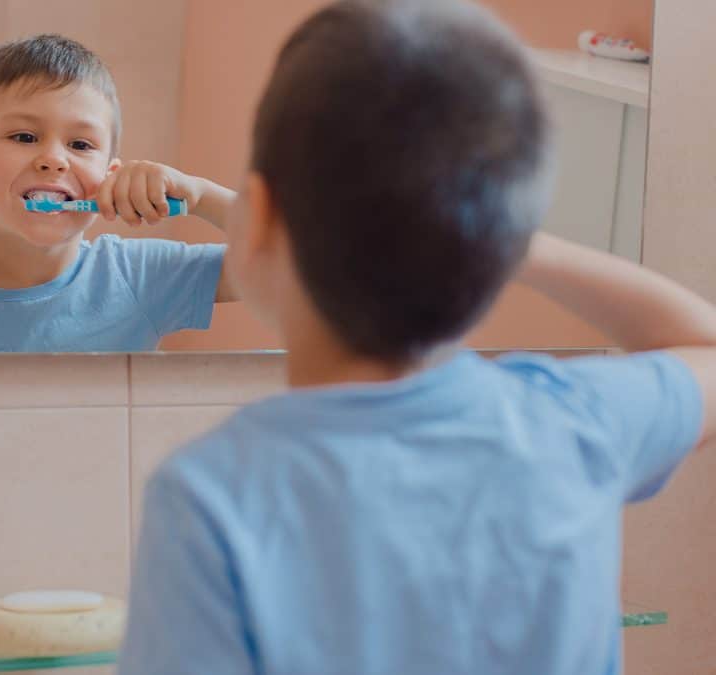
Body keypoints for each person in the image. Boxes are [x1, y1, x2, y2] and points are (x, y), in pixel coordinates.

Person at [118, 1, 715, 674]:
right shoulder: (573, 426)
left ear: (253, 221)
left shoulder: (214, 499)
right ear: (496, 247)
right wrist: (508, 240)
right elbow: (707, 347)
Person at [0, 34, 237, 353]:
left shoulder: (139, 277)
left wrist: (201, 196)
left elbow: (287, 257)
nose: (54, 159)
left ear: (108, 177)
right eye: (24, 137)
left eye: (80, 144)